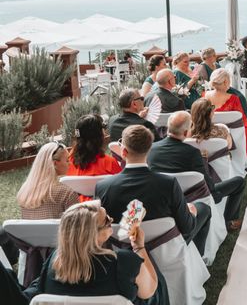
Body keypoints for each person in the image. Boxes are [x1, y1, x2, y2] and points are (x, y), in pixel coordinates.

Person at [96, 124, 212, 255]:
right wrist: (192, 212)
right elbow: (187, 228)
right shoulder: (168, 184)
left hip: (123, 250)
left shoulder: (102, 187)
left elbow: (100, 228)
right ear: (149, 150)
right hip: (167, 251)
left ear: (123, 152)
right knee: (203, 208)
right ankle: (198, 257)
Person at [31, 200, 165, 305]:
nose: (111, 220)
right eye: (107, 220)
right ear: (91, 234)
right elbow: (150, 291)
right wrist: (139, 248)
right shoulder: (124, 262)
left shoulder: (53, 261)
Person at [148, 111, 245, 231]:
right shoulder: (192, 152)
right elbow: (206, 181)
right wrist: (216, 195)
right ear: (185, 132)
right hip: (193, 196)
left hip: (162, 197)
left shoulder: (151, 148)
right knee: (239, 182)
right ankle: (229, 221)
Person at [206, 68, 247, 164]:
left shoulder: (205, 96)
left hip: (210, 130)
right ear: (226, 82)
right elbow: (241, 120)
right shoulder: (234, 98)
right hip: (232, 133)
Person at [196, 46, 247, 125]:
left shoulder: (216, 65)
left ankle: (244, 116)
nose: (215, 57)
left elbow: (224, 74)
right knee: (237, 97)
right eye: (213, 55)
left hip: (224, 86)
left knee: (240, 96)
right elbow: (203, 83)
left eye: (215, 55)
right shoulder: (202, 67)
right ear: (207, 57)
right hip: (213, 88)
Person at [17, 142, 78, 219]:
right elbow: (78, 226)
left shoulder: (24, 191)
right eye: (67, 160)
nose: (70, 163)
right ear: (55, 163)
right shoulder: (67, 193)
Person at [67, 114, 122, 181]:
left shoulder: (69, 163)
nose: (105, 133)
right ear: (99, 135)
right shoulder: (109, 163)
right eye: (103, 128)